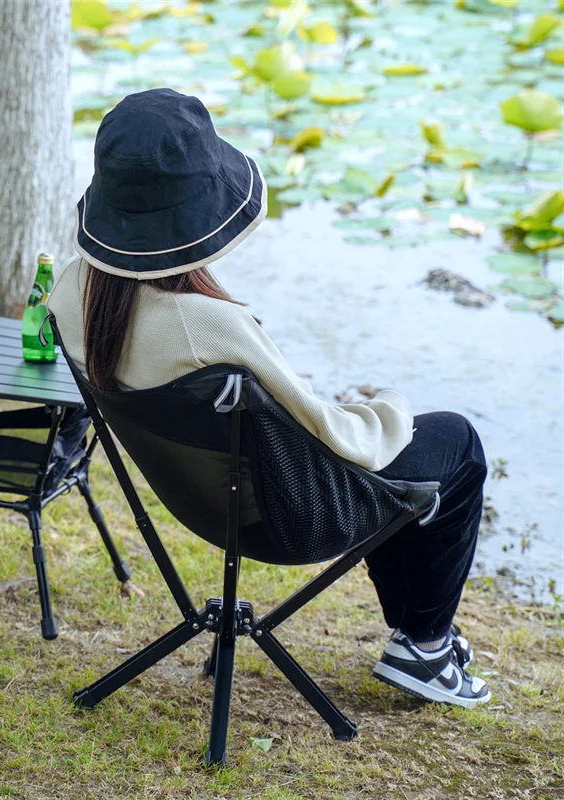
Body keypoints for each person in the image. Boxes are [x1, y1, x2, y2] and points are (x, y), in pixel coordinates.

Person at [48, 88, 490, 709]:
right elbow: (342, 441)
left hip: (199, 505)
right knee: (455, 443)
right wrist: (390, 406)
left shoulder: (71, 293)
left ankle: (420, 644)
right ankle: (425, 644)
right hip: (289, 520)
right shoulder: (208, 327)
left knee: (410, 461)